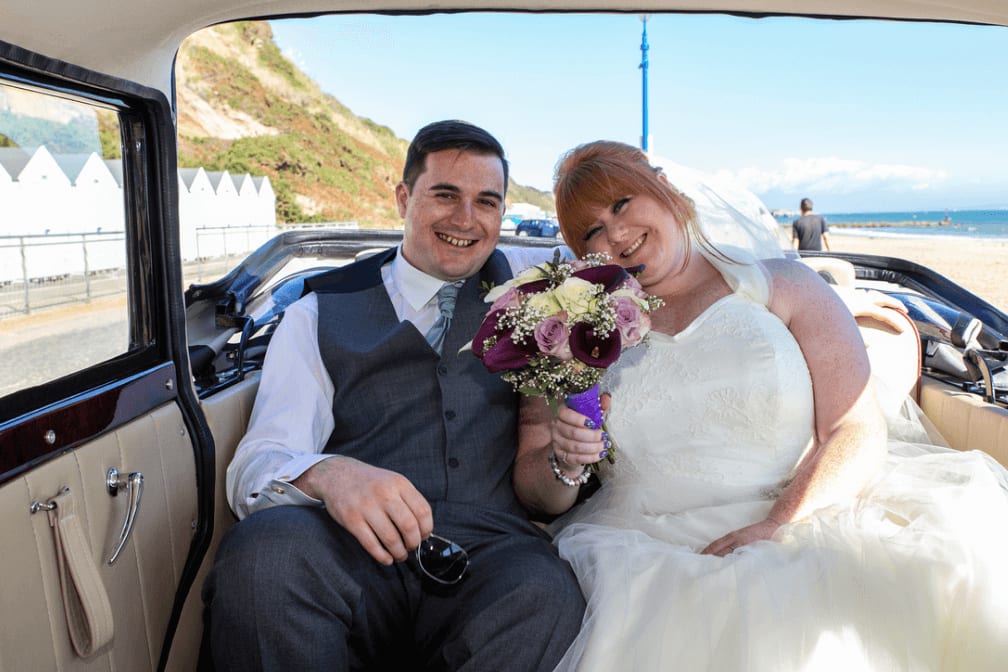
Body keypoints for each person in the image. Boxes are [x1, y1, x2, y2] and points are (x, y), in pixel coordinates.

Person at [513, 140, 1008, 671]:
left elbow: (856, 428)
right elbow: (538, 495)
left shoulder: (783, 285)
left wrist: (777, 527)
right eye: (592, 230)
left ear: (667, 191)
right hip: (636, 550)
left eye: (621, 204)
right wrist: (566, 460)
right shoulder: (571, 331)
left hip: (809, 519)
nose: (615, 234)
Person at [203, 120, 585, 671]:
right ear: (404, 198)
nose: (466, 219)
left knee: (546, 594)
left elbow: (624, 255)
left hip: (493, 554)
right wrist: (329, 475)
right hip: (353, 548)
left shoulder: (536, 298)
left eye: (487, 202)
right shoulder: (317, 312)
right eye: (445, 195)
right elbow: (257, 463)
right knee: (266, 555)